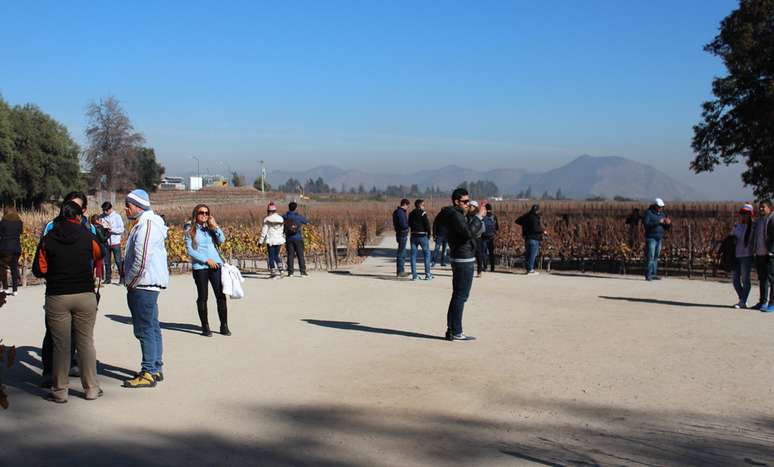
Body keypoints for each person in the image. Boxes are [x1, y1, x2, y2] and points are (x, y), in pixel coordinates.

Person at [32, 201, 104, 403]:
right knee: (85, 343)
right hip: (84, 294)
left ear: (61, 215)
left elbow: (39, 269)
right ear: (79, 215)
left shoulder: (48, 239)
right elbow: (101, 254)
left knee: (60, 345)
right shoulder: (87, 236)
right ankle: (91, 388)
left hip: (57, 295)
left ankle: (60, 390)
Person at [41, 191, 96, 387]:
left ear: (84, 210)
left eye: (76, 206)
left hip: (66, 290)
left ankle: (61, 386)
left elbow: (39, 267)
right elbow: (100, 253)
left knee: (75, 339)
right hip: (70, 289)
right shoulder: (51, 227)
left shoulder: (90, 228)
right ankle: (51, 373)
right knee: (55, 337)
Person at [122, 189, 169, 388]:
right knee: (152, 326)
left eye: (128, 205)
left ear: (139, 206)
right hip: (146, 283)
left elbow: (142, 258)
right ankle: (155, 366)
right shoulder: (145, 224)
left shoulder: (147, 225)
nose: (126, 209)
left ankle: (148, 370)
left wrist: (131, 280)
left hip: (144, 284)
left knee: (144, 329)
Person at [437, 188, 485, 341]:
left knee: (457, 296)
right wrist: (478, 217)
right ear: (456, 201)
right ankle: (456, 331)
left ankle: (452, 330)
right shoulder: (455, 216)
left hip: (460, 257)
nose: (467, 204)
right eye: (465, 202)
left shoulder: (451, 214)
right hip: (463, 259)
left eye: (468, 201)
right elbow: (468, 233)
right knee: (461, 296)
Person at [185, 204, 230, 336]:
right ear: (195, 214)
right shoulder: (190, 230)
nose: (204, 215)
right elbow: (191, 251)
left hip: (216, 265)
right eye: (201, 213)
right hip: (200, 267)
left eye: (206, 213)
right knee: (203, 296)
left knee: (221, 296)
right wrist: (206, 260)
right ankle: (205, 327)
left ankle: (224, 325)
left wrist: (215, 226)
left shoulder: (211, 229)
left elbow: (222, 240)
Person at [730, 204, 755, 309]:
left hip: (746, 256)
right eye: (742, 213)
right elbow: (731, 238)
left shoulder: (754, 227)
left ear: (750, 215)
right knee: (735, 280)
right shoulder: (737, 226)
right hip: (736, 256)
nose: (743, 215)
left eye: (746, 213)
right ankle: (742, 299)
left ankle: (743, 300)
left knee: (745, 280)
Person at [642, 198, 671, 281]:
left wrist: (668, 224)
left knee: (655, 257)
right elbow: (646, 224)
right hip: (651, 237)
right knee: (650, 256)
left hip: (659, 238)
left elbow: (666, 227)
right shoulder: (648, 213)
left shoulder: (662, 214)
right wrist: (658, 222)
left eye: (662, 207)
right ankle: (648, 275)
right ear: (655, 206)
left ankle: (654, 274)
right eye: (659, 207)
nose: (661, 208)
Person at [753, 200, 773, 311]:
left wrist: (771, 251)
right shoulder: (760, 220)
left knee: (772, 279)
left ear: (770, 208)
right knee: (762, 279)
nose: (761, 209)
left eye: (763, 207)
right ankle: (762, 302)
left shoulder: (772, 219)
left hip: (769, 254)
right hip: (759, 253)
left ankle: (772, 303)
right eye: (760, 207)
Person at [99, 202, 125, 285]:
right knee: (107, 262)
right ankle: (108, 278)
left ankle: (122, 278)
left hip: (115, 242)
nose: (104, 212)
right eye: (103, 210)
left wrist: (112, 229)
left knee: (118, 261)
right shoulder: (102, 217)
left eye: (106, 210)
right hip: (106, 242)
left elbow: (121, 229)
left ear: (110, 209)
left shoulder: (117, 217)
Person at [515, 204, 545, 275]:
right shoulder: (535, 218)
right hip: (534, 238)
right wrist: (543, 230)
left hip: (527, 238)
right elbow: (535, 228)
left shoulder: (527, 217)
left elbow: (517, 221)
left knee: (528, 254)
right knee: (533, 254)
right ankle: (531, 269)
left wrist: (525, 216)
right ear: (537, 211)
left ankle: (528, 269)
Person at [0, 207, 23, 296]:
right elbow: (20, 232)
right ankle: (15, 289)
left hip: (5, 247)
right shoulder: (19, 223)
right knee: (14, 267)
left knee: (2, 267)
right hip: (16, 247)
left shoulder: (3, 223)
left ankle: (5, 288)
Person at [259, 202, 286, 279]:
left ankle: (273, 273)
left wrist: (260, 242)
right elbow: (282, 230)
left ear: (269, 211)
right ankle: (281, 271)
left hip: (270, 240)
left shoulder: (267, 219)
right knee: (276, 256)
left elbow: (264, 232)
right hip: (279, 240)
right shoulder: (281, 218)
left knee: (271, 256)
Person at [408, 199, 433, 281]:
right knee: (426, 254)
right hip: (422, 235)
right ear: (420, 205)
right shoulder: (423, 213)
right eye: (423, 205)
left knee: (413, 256)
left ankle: (414, 275)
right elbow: (427, 224)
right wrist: (429, 234)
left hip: (413, 235)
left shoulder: (411, 213)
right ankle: (428, 274)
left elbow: (409, 224)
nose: (424, 206)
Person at [284, 202, 309, 277]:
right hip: (298, 238)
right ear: (296, 208)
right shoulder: (299, 217)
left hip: (289, 238)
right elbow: (307, 222)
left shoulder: (285, 216)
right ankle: (302, 272)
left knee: (290, 255)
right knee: (300, 255)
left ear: (289, 207)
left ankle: (290, 272)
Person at [392, 199, 410, 277]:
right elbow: (403, 224)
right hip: (402, 234)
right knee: (401, 253)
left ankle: (401, 270)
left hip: (400, 234)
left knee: (402, 252)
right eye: (407, 206)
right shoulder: (400, 212)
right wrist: (407, 227)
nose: (408, 207)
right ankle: (400, 271)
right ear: (405, 204)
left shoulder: (398, 212)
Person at [90, 214, 110, 282]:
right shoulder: (99, 227)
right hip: (100, 247)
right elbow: (103, 239)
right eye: (100, 220)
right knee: (99, 264)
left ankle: (91, 279)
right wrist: (109, 233)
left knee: (92, 264)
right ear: (97, 220)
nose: (101, 221)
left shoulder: (91, 227)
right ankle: (98, 280)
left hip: (92, 246)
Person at [468, 201, 485, 277]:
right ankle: (469, 271)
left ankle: (479, 271)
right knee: (470, 255)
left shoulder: (478, 216)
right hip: (470, 238)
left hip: (478, 238)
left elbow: (482, 227)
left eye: (471, 206)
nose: (469, 208)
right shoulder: (467, 215)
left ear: (475, 207)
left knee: (479, 255)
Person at [481, 203, 499, 273]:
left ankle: (485, 267)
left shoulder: (483, 216)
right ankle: (492, 268)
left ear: (485, 209)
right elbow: (497, 227)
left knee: (484, 252)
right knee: (491, 253)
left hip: (483, 237)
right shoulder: (494, 216)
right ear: (491, 209)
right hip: (491, 237)